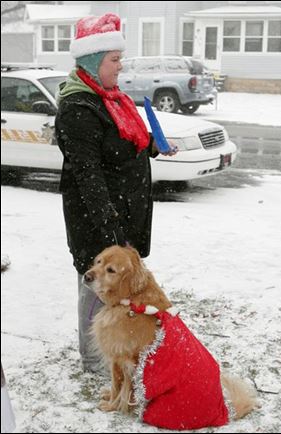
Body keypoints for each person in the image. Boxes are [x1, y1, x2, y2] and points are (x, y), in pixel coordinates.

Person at [55, 13, 176, 372]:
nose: (120, 66)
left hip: (123, 210)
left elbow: (124, 142)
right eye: (115, 59)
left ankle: (116, 343)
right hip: (97, 216)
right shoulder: (79, 107)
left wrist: (154, 146)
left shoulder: (111, 98)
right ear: (94, 62)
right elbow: (88, 175)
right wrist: (111, 233)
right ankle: (94, 358)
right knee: (94, 286)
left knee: (118, 287)